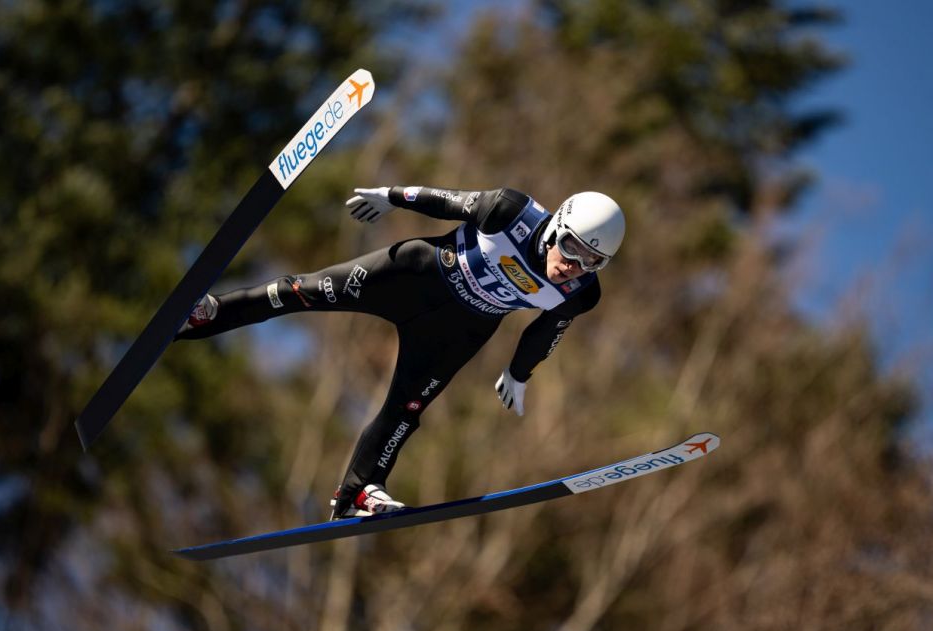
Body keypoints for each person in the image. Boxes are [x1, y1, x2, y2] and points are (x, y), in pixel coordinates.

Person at [175, 185, 625, 519]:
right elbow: (447, 200)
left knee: (406, 409)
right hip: (412, 277)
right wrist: (392, 196)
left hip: (457, 330)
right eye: (571, 248)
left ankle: (360, 491)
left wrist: (520, 373)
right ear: (557, 228)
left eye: (593, 261)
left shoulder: (581, 292)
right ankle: (208, 315)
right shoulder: (511, 211)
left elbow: (546, 331)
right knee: (303, 291)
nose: (574, 266)